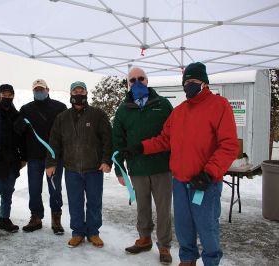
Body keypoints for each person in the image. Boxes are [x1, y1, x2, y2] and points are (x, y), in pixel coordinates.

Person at [120, 62, 239, 266]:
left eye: (193, 81)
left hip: (204, 182)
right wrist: (140, 147)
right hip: (180, 181)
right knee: (183, 225)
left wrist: (209, 173)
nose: (188, 85)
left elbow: (229, 145)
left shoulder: (219, 106)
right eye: (186, 82)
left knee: (206, 226)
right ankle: (187, 259)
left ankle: (211, 261)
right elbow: (165, 139)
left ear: (204, 83)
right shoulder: (180, 111)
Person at [112, 67, 173, 264]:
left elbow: (174, 136)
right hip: (137, 169)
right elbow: (118, 141)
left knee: (164, 209)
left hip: (162, 168)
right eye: (132, 80)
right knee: (143, 208)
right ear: (128, 84)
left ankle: (164, 246)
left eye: (141, 79)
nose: (137, 83)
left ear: (147, 80)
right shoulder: (123, 110)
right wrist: (119, 169)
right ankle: (144, 238)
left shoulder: (163, 105)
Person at [46, 81, 112, 248]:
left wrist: (106, 160)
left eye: (81, 90)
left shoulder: (98, 115)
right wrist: (51, 163)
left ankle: (93, 232)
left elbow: (107, 139)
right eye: (75, 91)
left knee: (94, 202)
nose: (78, 94)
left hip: (94, 168)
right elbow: (54, 142)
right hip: (72, 169)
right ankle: (77, 233)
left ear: (86, 93)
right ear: (71, 94)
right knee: (75, 202)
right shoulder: (62, 117)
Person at [15, 79, 67, 234]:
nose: (39, 91)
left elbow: (67, 133)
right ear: (33, 91)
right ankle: (36, 217)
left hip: (54, 158)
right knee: (34, 189)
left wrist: (64, 153)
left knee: (55, 189)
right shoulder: (26, 109)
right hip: (34, 157)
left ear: (48, 89)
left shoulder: (60, 107)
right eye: (36, 89)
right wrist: (19, 125)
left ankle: (56, 219)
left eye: (41, 89)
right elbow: (19, 133)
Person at [0, 84, 26, 242]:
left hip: (13, 161)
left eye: (10, 94)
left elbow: (22, 138)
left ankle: (4, 219)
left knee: (8, 192)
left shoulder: (17, 115)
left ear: (13, 96)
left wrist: (23, 157)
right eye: (4, 94)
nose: (7, 97)